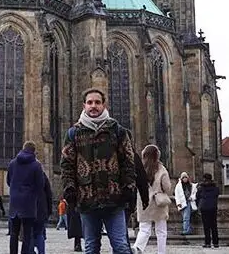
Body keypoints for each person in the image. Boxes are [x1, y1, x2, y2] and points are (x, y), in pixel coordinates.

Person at [60, 88, 137, 254]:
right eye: (90, 102)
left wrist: (129, 187)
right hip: (86, 199)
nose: (93, 106)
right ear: (84, 105)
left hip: (114, 198)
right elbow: (67, 165)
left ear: (104, 105)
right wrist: (69, 189)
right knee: (91, 247)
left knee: (121, 246)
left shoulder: (117, 130)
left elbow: (128, 162)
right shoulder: (74, 133)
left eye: (97, 102)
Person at [7, 142, 45, 254]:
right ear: (33, 151)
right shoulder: (36, 165)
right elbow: (40, 185)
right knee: (27, 234)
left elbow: (9, 181)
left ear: (23, 149)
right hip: (28, 203)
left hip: (14, 202)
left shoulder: (12, 163)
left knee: (14, 233)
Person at [133, 145, 171, 254]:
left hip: (144, 201)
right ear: (157, 155)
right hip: (158, 202)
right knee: (161, 231)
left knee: (144, 229)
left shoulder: (140, 168)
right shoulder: (161, 169)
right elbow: (167, 187)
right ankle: (161, 252)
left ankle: (137, 248)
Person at [195, 173, 220, 249]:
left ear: (204, 178)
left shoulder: (201, 188)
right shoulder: (215, 188)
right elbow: (217, 195)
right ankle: (216, 243)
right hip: (213, 208)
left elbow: (197, 197)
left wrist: (199, 206)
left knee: (206, 226)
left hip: (204, 208)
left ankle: (207, 243)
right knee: (214, 225)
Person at [33, 171, 53, 254]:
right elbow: (49, 193)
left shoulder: (22, 171)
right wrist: (49, 209)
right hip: (41, 208)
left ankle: (31, 251)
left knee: (28, 233)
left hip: (26, 208)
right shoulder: (41, 174)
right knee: (39, 233)